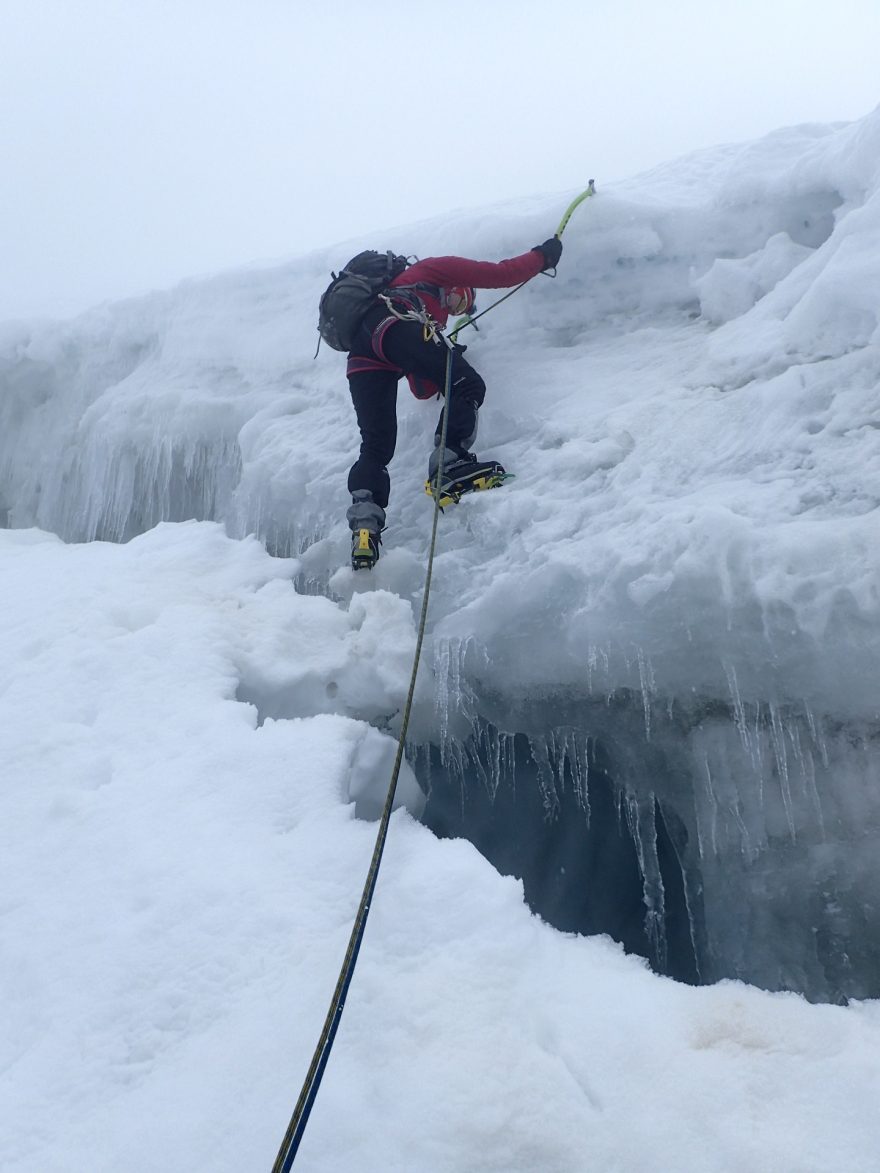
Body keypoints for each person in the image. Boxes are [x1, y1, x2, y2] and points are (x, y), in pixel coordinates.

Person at [344, 236, 563, 568]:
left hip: (364, 351)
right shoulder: (433, 270)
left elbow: (422, 389)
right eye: (462, 300)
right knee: (469, 385)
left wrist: (443, 358)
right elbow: (500, 273)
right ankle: (451, 464)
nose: (455, 309)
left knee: (375, 445)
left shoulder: (419, 310)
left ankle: (365, 527)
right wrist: (542, 258)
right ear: (456, 285)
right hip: (393, 324)